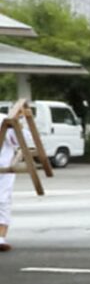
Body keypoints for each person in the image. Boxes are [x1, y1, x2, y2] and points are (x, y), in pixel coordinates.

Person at [0, 102, 30, 253]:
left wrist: (19, 123)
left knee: (2, 200)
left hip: (4, 167)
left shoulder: (4, 120)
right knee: (2, 201)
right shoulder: (4, 120)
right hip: (4, 167)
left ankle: (0, 238)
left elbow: (19, 140)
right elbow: (19, 141)